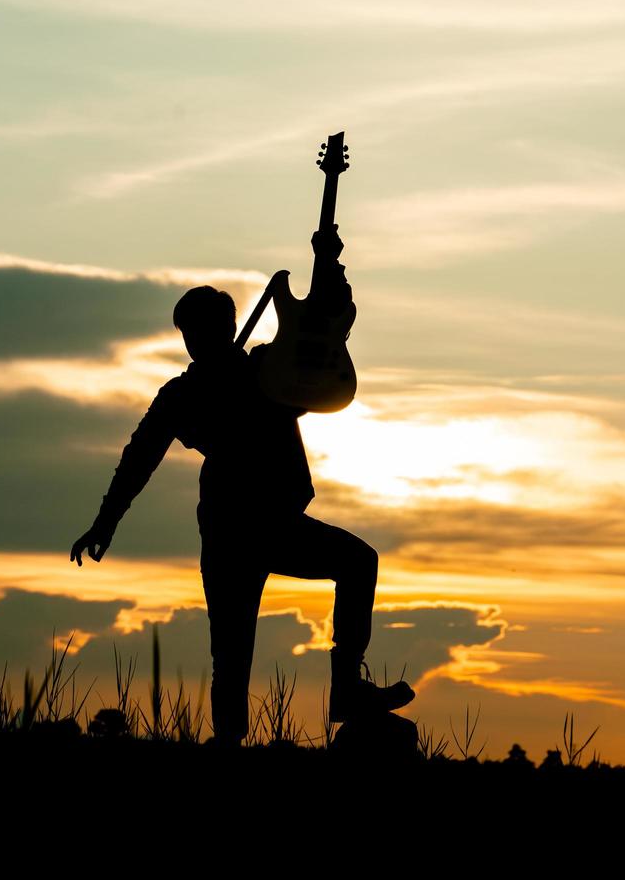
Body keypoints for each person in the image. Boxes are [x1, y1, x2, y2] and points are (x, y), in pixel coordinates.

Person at [68, 225, 414, 746]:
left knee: (353, 566)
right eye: (193, 333)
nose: (199, 340)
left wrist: (329, 262)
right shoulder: (189, 393)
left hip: (268, 523)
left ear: (227, 327)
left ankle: (345, 689)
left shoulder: (267, 371)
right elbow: (138, 460)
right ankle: (235, 741)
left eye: (208, 330)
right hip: (235, 530)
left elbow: (323, 325)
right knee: (231, 653)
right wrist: (104, 522)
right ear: (189, 336)